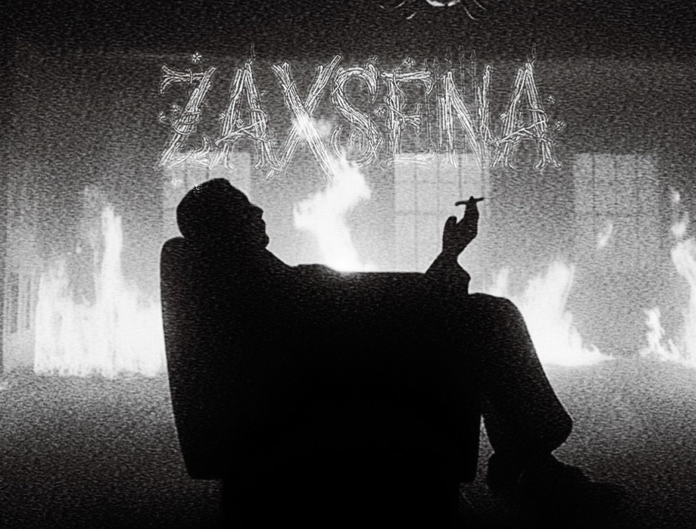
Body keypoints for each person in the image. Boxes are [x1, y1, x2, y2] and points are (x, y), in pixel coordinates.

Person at [174, 178, 619, 518]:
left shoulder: (245, 283)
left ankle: (533, 462)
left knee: (480, 317)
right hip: (336, 389)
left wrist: (448, 259)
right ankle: (534, 458)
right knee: (488, 316)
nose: (257, 210)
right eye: (243, 208)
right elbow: (390, 306)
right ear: (222, 227)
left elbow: (385, 304)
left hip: (332, 373)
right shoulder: (264, 289)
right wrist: (449, 260)